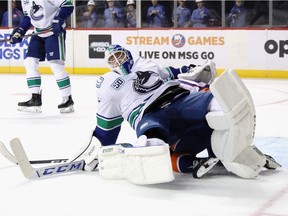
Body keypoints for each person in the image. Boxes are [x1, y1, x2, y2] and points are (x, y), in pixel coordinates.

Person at [68, 44, 280, 184]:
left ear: (128, 54)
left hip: (181, 100)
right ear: (108, 65)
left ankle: (232, 151)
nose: (117, 61)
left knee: (221, 103)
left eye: (119, 55)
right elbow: (107, 126)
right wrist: (98, 148)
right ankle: (185, 161)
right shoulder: (106, 84)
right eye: (112, 60)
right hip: (150, 115)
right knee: (151, 142)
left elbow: (175, 72)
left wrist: (194, 69)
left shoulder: (146, 63)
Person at [9, 0, 75, 114]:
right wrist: (21, 30)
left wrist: (58, 20)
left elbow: (68, 5)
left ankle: (67, 99)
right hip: (38, 33)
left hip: (53, 33)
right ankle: (35, 98)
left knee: (56, 65)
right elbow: (27, 16)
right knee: (29, 62)